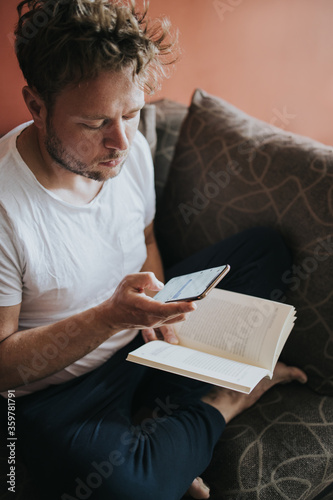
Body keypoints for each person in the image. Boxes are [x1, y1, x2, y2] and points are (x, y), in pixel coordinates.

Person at [0, 1, 307, 499]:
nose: (120, 142)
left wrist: (160, 321)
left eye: (132, 112)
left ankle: (168, 430)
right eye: (95, 122)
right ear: (36, 107)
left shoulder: (127, 147)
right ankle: (224, 404)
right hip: (57, 391)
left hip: (138, 339)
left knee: (264, 250)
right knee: (127, 487)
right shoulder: (5, 207)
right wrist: (107, 318)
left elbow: (144, 239)